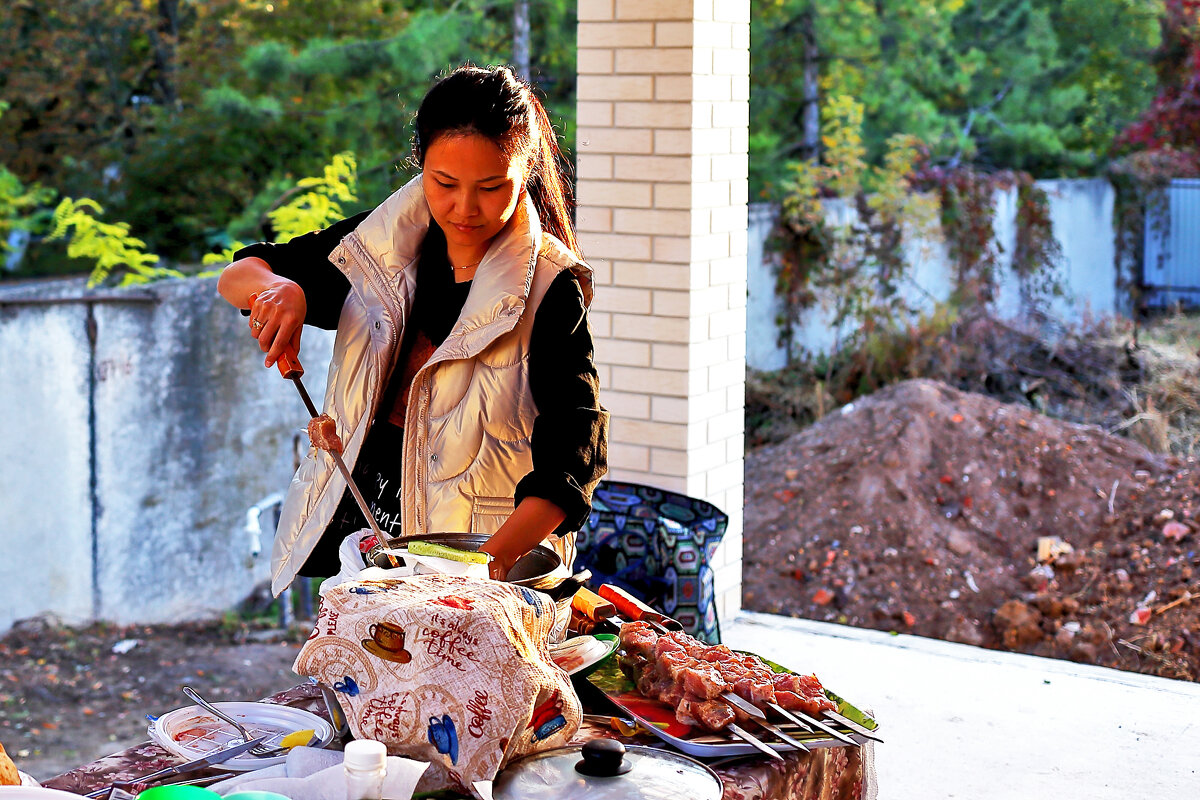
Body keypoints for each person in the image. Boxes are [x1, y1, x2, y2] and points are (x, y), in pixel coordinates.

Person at [217, 65, 608, 595]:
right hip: (368, 536)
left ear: (527, 175)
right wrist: (283, 292)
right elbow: (239, 275)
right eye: (444, 183)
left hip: (486, 556)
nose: (465, 208)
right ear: (420, 163)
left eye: (492, 188)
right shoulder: (379, 247)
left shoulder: (548, 288)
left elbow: (572, 461)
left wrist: (475, 576)